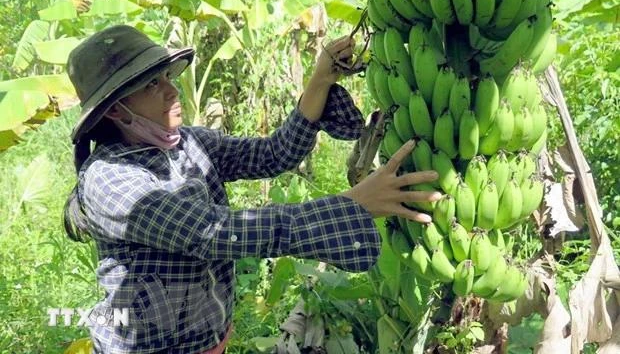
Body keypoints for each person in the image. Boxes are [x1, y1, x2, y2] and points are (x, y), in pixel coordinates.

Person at [63, 25, 440, 354]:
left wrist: (320, 80)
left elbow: (272, 155)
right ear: (115, 111)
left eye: (165, 76)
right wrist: (351, 205)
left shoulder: (189, 145)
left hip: (210, 339)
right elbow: (211, 233)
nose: (171, 90)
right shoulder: (110, 179)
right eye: (151, 85)